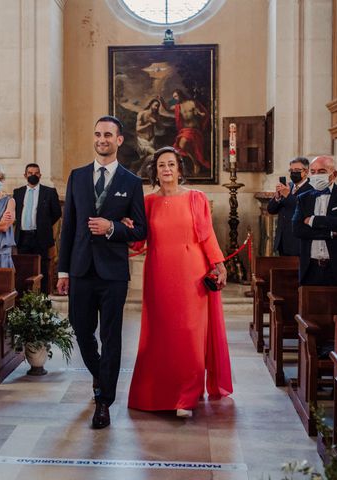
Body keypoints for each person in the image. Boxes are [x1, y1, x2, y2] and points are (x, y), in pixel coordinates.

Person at [127, 146, 232, 418]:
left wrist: (218, 265)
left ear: (179, 169)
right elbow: (138, 242)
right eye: (161, 165)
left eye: (171, 164)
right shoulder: (147, 202)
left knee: (189, 332)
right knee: (161, 333)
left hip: (192, 274)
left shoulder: (196, 198)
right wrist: (123, 228)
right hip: (159, 273)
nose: (167, 169)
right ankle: (158, 391)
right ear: (155, 171)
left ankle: (186, 395)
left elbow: (206, 236)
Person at [57, 115, 147, 429]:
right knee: (80, 330)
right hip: (81, 268)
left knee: (110, 337)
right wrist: (63, 271)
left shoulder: (131, 182)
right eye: (97, 134)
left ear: (119, 140)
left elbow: (140, 231)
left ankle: (103, 401)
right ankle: (100, 374)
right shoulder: (77, 176)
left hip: (112, 273)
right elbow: (67, 228)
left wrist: (112, 228)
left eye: (108, 134)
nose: (102, 139)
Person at [292, 155, 337, 286]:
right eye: (312, 172)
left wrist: (313, 220)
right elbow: (297, 229)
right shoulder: (303, 198)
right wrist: (330, 233)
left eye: (321, 172)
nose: (316, 175)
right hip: (311, 267)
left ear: (334, 174)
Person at [13, 163, 62, 293]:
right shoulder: (18, 192)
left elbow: (57, 213)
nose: (33, 175)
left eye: (36, 173)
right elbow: (16, 212)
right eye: (30, 173)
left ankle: (44, 301)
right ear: (25, 175)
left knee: (43, 269)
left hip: (41, 237)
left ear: (40, 175)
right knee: (23, 269)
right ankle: (24, 300)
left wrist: (43, 224)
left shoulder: (49, 192)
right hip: (23, 237)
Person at [267, 157, 313, 256]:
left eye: (297, 170)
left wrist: (288, 195)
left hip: (298, 243)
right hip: (283, 241)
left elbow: (304, 210)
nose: (293, 173)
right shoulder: (289, 186)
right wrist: (277, 197)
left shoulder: (312, 188)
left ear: (306, 171)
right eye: (291, 170)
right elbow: (271, 210)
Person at [165, 89, 210, 174]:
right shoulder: (178, 106)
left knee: (183, 144)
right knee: (182, 145)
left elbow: (201, 113)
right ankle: (195, 162)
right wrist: (161, 101)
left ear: (180, 94)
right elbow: (167, 109)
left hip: (194, 129)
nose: (175, 99)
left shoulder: (191, 103)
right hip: (185, 130)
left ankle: (195, 163)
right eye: (174, 97)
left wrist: (200, 114)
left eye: (176, 96)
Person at [135, 98, 163, 171]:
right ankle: (141, 171)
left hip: (152, 141)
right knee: (155, 154)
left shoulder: (156, 115)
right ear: (151, 104)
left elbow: (160, 128)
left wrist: (157, 122)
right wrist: (148, 124)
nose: (156, 108)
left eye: (158, 106)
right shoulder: (142, 113)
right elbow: (138, 129)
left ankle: (141, 171)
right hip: (142, 141)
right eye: (155, 105)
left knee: (151, 156)